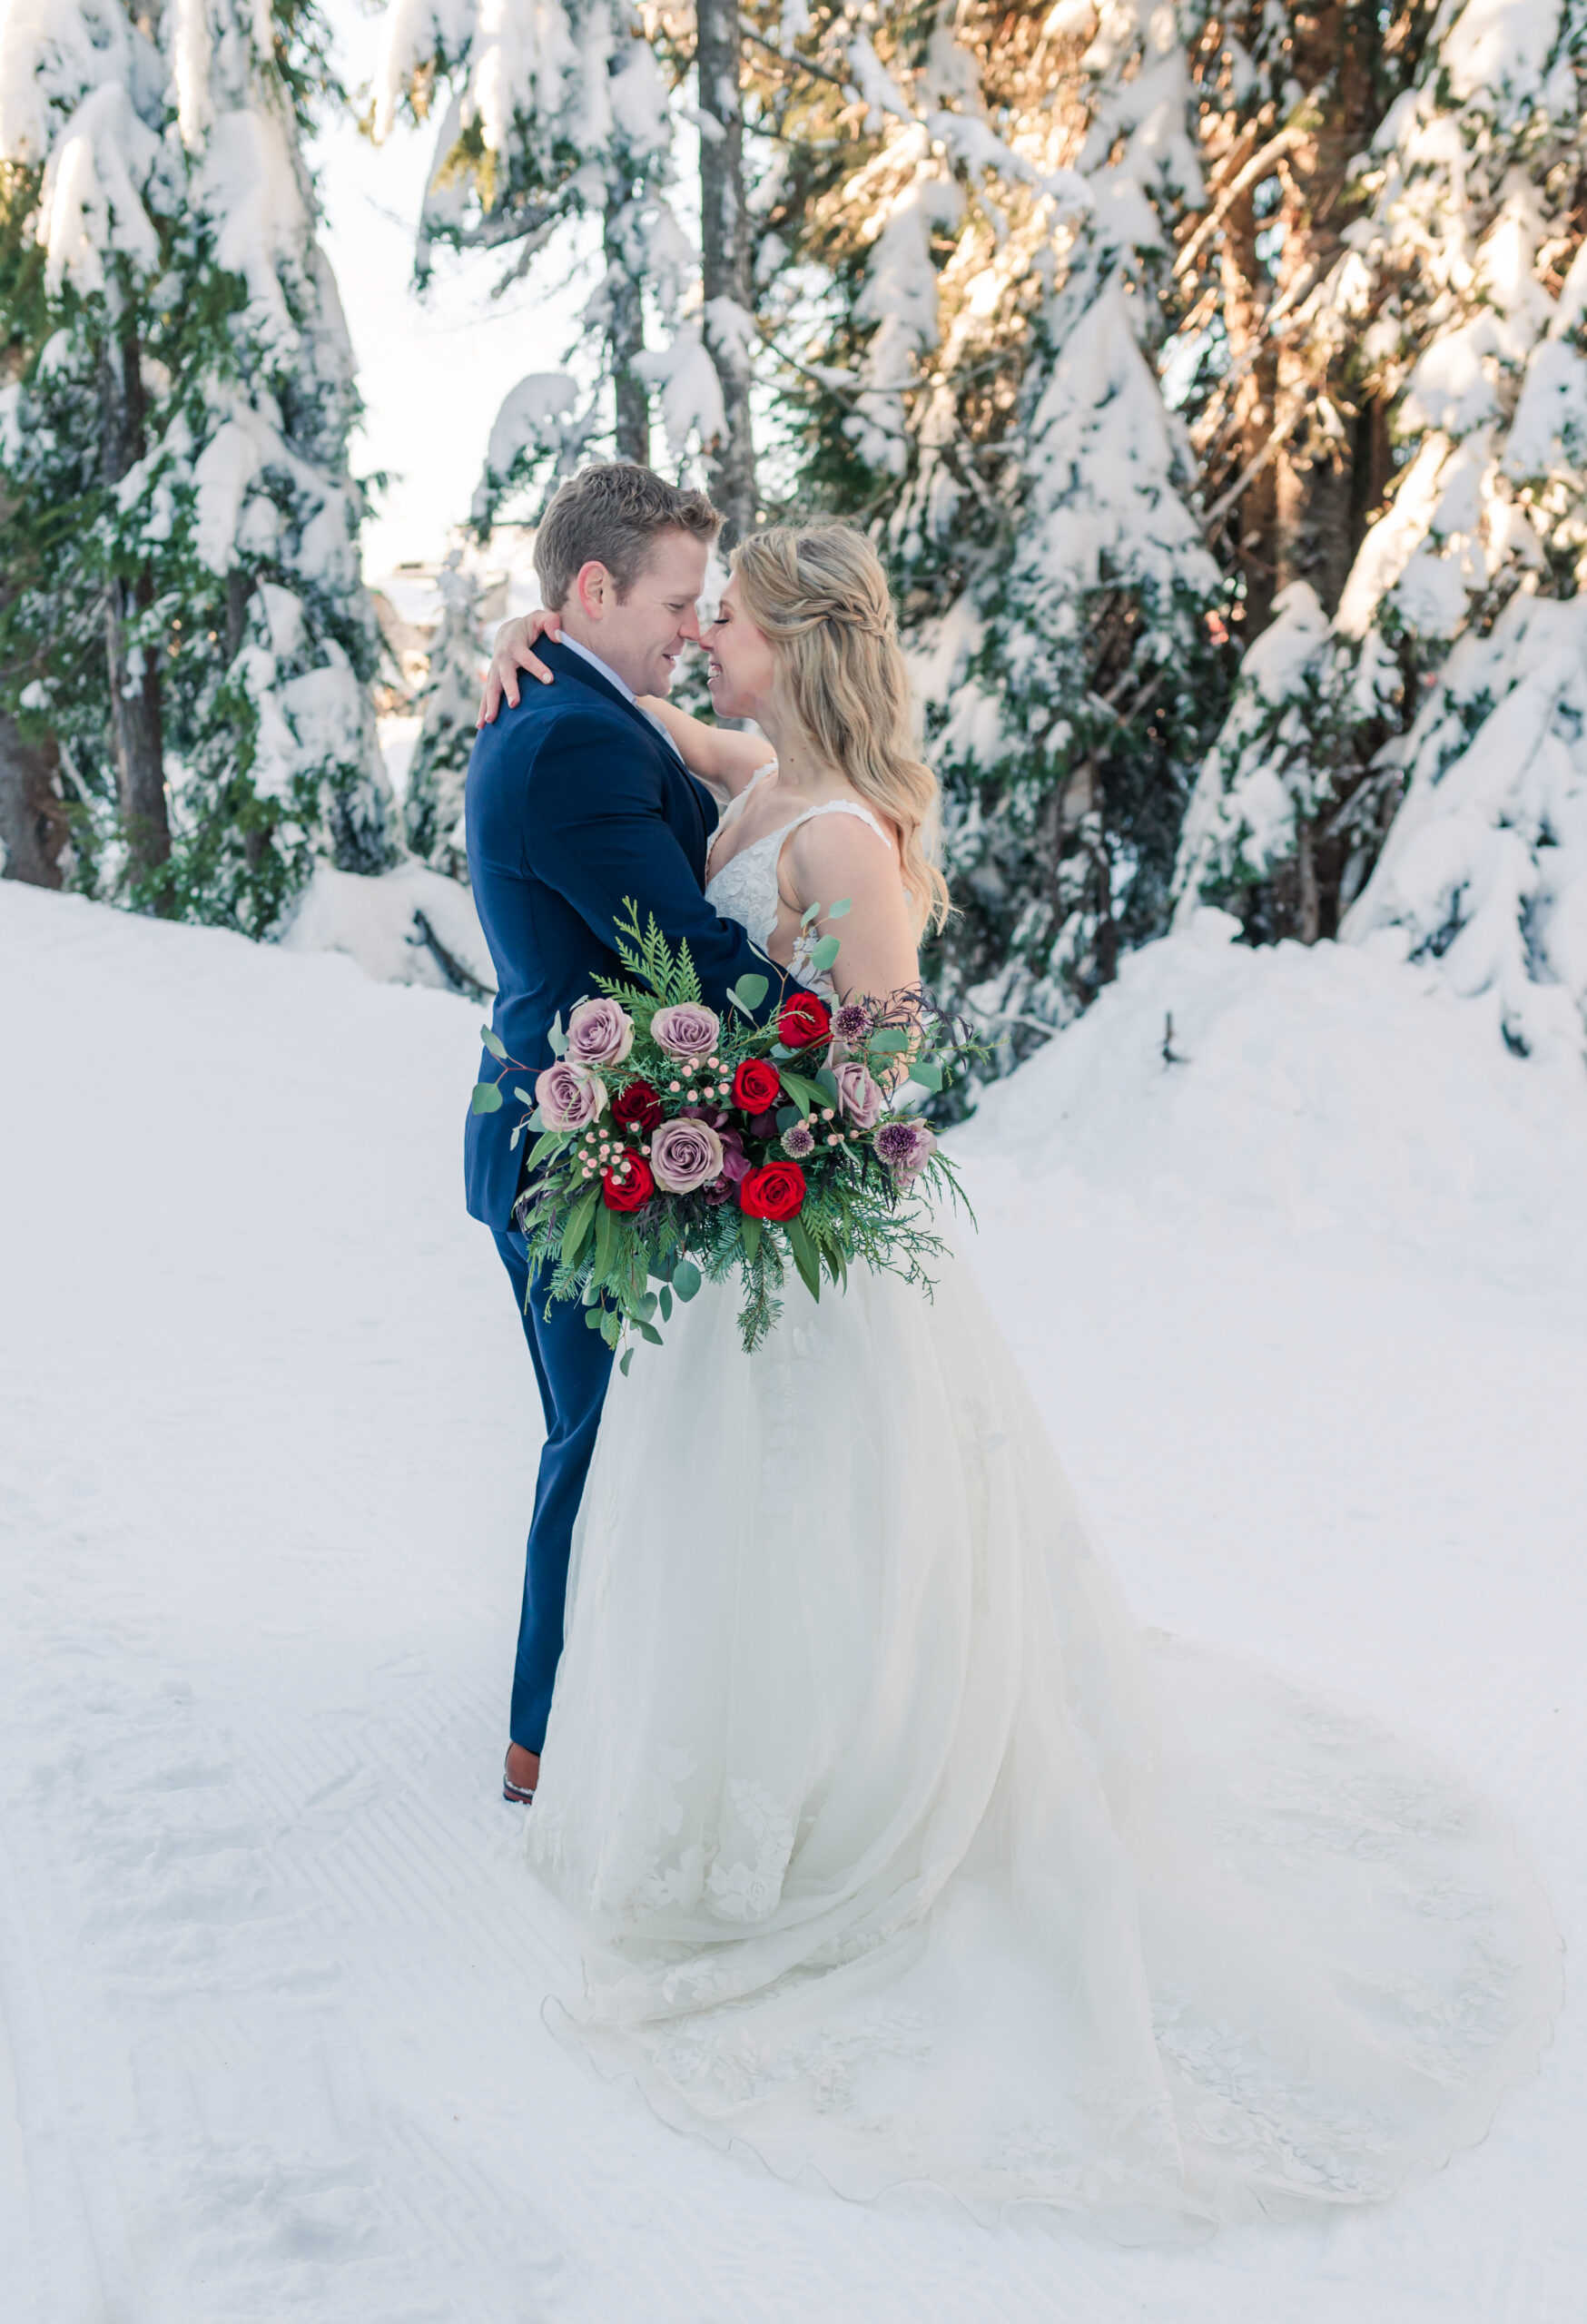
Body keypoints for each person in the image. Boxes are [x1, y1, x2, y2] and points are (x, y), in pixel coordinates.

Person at [479, 522, 1561, 2237]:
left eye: (733, 627)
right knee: (729, 1530)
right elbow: (663, 742)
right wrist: (544, 654)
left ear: (800, 647)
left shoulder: (837, 831)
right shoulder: (757, 770)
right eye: (702, 619)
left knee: (841, 1527)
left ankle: (860, 1797)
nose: (709, 649)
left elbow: (893, 1052)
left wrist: (780, 1132)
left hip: (809, 1246)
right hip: (729, 1239)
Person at [464, 464, 812, 1811]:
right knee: (603, 1444)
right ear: (594, 592)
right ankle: (544, 1740)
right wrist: (840, 1050)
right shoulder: (575, 740)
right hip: (573, 1152)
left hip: (577, 1131)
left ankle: (584, 1710)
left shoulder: (581, 699)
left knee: (614, 1438)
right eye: (675, 602)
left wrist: (529, 630)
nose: (692, 625)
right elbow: (692, 962)